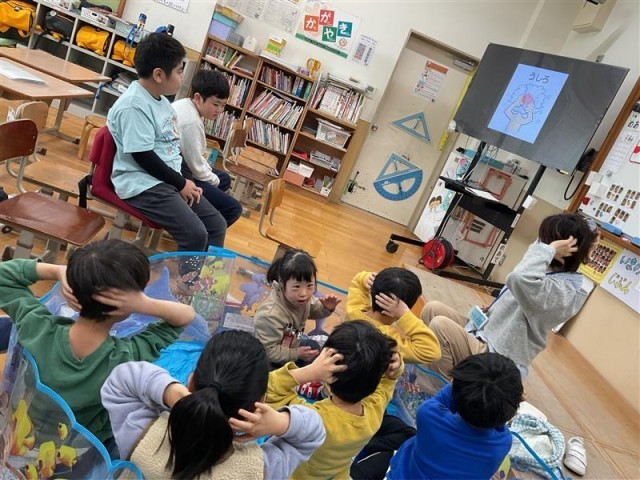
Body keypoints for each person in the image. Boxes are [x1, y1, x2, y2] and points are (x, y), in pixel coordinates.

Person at [0, 239, 195, 443]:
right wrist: (143, 304)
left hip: (16, 435)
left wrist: (59, 271)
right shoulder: (127, 358)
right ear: (127, 306)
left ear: (72, 290)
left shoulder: (36, 326)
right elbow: (185, 317)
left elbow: (4, 276)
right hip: (74, 452)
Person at [101, 330, 326, 479]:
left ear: (190, 382)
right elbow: (313, 433)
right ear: (261, 403)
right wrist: (280, 422)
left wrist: (176, 394)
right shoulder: (260, 470)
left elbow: (122, 379)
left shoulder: (142, 435)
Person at [421, 212, 599, 379]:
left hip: (497, 358)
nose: (540, 244)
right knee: (432, 309)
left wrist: (550, 249)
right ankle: (422, 375)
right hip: (484, 332)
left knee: (440, 327)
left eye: (546, 242)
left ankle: (435, 391)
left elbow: (518, 278)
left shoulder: (564, 292)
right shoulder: (546, 269)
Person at [107, 32, 228, 252]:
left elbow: (172, 147)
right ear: (159, 75)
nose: (183, 77)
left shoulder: (162, 102)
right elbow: (143, 156)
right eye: (180, 71)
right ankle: (186, 275)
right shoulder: (134, 106)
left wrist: (186, 180)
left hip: (167, 179)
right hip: (143, 183)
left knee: (217, 225)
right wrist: (181, 184)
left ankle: (208, 273)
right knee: (196, 234)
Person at [267, 320, 403, 480]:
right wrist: (395, 367)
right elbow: (389, 381)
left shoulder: (310, 419)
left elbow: (267, 389)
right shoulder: (375, 410)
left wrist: (311, 371)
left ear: (329, 376)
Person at [387, 352, 524, 480]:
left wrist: (458, 383)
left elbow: (445, 396)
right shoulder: (501, 444)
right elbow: (499, 420)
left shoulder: (427, 415)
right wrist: (512, 399)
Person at [172, 69, 243, 227]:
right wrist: (213, 179)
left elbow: (195, 157)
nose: (219, 110)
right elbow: (196, 168)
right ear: (198, 98)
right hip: (180, 174)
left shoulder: (185, 104)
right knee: (233, 208)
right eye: (216, 104)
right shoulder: (191, 122)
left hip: (181, 165)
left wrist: (212, 175)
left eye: (223, 105)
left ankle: (197, 216)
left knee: (224, 179)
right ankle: (198, 229)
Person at [254, 249, 340, 368]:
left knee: (313, 347)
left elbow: (314, 309)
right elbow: (267, 351)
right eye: (296, 287)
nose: (304, 293)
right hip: (268, 360)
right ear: (282, 283)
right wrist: (296, 354)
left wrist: (326, 308)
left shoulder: (301, 299)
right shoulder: (270, 314)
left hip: (292, 343)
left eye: (310, 286)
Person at [346, 267, 441, 364]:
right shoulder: (388, 341)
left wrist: (366, 278)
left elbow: (357, 282)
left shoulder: (354, 310)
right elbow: (432, 351)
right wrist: (405, 315)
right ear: (405, 307)